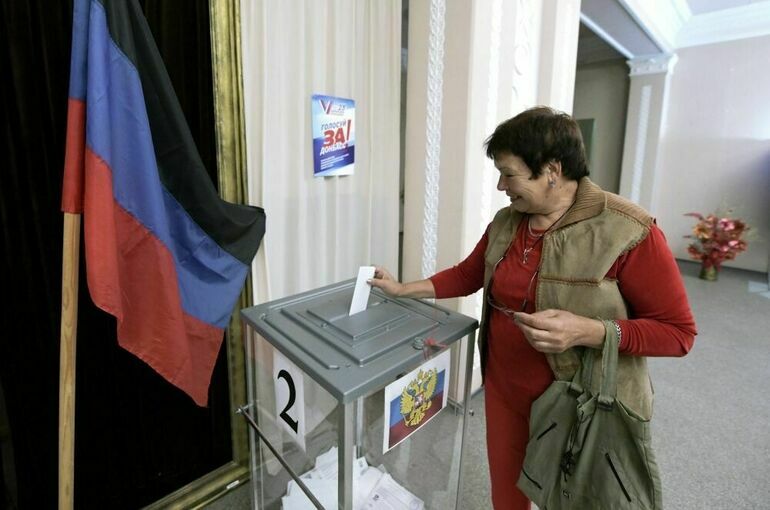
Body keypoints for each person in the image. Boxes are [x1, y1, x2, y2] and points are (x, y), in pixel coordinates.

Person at [369, 106, 697, 509]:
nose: (500, 186)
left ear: (552, 170)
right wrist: (403, 289)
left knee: (573, 499)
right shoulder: (507, 221)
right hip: (504, 388)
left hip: (580, 403)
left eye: (509, 174)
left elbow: (678, 334)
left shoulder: (628, 230)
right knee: (507, 494)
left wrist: (589, 331)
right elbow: (468, 274)